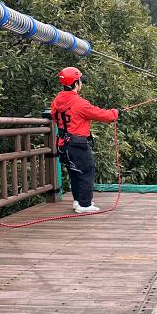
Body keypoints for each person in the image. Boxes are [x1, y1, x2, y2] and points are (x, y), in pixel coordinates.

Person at [50, 67, 119, 213]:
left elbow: (54, 116)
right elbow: (103, 115)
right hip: (77, 143)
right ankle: (85, 205)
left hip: (62, 143)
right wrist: (115, 113)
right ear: (76, 83)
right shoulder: (79, 103)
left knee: (74, 172)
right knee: (87, 171)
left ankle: (78, 201)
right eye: (80, 80)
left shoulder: (57, 100)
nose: (81, 83)